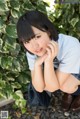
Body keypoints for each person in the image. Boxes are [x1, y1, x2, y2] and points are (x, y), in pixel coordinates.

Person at [17, 10, 80, 111]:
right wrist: (37, 65)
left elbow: (52, 88)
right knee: (55, 82)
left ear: (48, 31)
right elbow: (39, 88)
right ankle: (71, 92)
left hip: (78, 66)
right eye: (27, 41)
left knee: (66, 86)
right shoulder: (32, 51)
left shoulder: (70, 45)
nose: (34, 46)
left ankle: (76, 93)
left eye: (37, 37)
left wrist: (48, 61)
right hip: (64, 69)